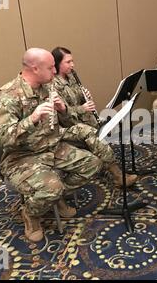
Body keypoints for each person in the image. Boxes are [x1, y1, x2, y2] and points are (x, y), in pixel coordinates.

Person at [0, 48, 135, 243]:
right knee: (51, 188)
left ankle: (54, 198)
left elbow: (64, 121)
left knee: (92, 164)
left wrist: (63, 109)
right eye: (50, 68)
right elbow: (1, 137)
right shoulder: (9, 95)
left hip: (52, 146)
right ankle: (31, 214)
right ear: (34, 68)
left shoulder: (47, 87)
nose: (54, 72)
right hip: (22, 157)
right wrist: (32, 119)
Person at [51, 46, 137, 187]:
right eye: (68, 62)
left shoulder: (71, 76)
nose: (72, 65)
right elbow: (64, 115)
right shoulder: (53, 85)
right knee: (94, 137)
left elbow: (77, 99)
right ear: (57, 63)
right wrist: (82, 108)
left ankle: (107, 167)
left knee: (102, 126)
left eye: (72, 61)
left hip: (81, 119)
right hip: (68, 125)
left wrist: (85, 97)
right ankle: (117, 175)